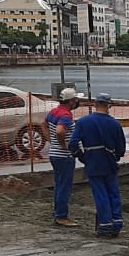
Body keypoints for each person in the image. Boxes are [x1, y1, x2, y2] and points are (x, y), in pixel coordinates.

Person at [69, 93, 126, 237]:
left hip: (93, 162)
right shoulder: (115, 124)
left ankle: (105, 224)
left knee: (100, 194)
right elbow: (121, 148)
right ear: (109, 105)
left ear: (95, 104)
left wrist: (82, 156)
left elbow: (73, 143)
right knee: (113, 193)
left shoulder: (83, 122)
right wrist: (116, 156)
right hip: (110, 162)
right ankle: (117, 222)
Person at [46, 87, 81, 227]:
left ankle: (57, 212)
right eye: (76, 99)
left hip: (54, 154)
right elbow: (60, 131)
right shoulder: (66, 115)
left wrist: (50, 140)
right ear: (71, 101)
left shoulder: (54, 111)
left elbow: (44, 124)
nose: (77, 102)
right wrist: (65, 145)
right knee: (64, 186)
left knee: (59, 184)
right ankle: (61, 216)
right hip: (64, 156)